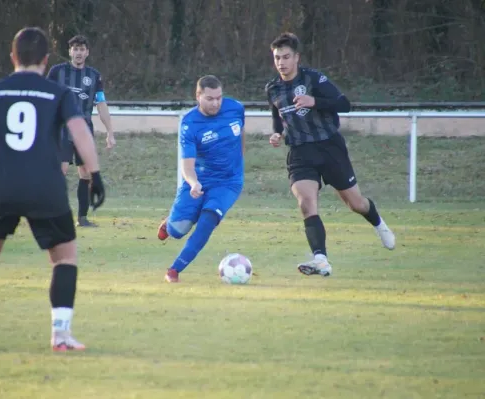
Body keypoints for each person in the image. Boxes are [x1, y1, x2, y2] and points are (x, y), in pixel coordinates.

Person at [0, 27, 106, 351]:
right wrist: (96, 175)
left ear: (13, 56)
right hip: (46, 186)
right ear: (46, 60)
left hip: (2, 186)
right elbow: (81, 133)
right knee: (64, 258)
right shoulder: (58, 94)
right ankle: (60, 335)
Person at [265, 32, 395, 278]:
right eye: (277, 57)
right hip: (300, 151)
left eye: (286, 57)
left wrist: (314, 101)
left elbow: (344, 104)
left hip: (329, 147)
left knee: (355, 203)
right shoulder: (272, 88)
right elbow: (277, 118)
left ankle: (379, 224)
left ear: (296, 57)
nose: (281, 62)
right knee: (306, 202)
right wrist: (277, 134)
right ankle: (321, 259)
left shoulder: (314, 79)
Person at [157, 75, 245, 283]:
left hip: (229, 182)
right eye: (209, 99)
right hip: (199, 179)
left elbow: (240, 135)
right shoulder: (189, 123)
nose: (216, 103)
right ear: (198, 97)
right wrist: (194, 183)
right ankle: (169, 223)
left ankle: (175, 269)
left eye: (219, 98)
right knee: (178, 230)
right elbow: (187, 165)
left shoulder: (235, 108)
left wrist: (237, 165)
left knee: (208, 219)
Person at [47, 34, 115, 227]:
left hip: (84, 131)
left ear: (87, 52)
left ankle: (82, 218)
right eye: (75, 49)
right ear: (69, 52)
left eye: (81, 49)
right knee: (61, 170)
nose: (78, 53)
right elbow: (46, 97)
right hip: (61, 130)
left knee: (85, 173)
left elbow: (101, 103)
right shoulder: (57, 72)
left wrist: (110, 132)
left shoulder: (94, 76)